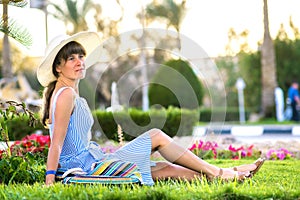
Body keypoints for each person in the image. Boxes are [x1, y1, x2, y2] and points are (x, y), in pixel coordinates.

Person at [37, 31, 265, 186]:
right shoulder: (66, 94)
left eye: (81, 56)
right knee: (156, 136)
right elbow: (56, 143)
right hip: (84, 169)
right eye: (71, 59)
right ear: (58, 67)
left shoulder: (65, 92)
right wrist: (50, 180)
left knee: (164, 168)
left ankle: (230, 173)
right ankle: (221, 173)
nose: (79, 62)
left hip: (92, 162)